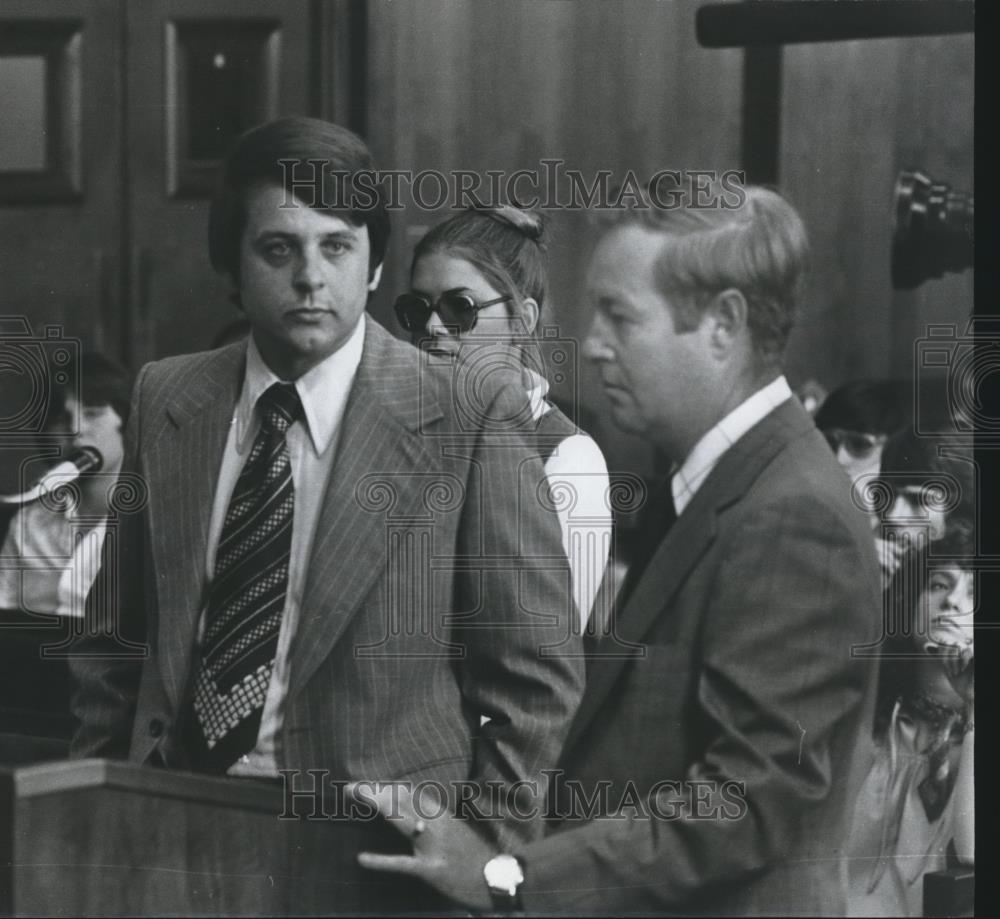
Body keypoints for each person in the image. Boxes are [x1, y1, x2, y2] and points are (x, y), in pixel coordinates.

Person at [356, 182, 883, 914]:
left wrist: (506, 877)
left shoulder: (794, 512)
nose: (593, 343)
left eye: (620, 316)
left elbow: (745, 803)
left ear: (724, 325)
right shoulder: (718, 480)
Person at [67, 118, 583, 833]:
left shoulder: (468, 411)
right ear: (232, 268)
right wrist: (95, 814)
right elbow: (113, 639)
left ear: (373, 266)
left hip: (378, 853)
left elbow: (536, 674)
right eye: (279, 248)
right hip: (177, 824)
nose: (310, 276)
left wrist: (485, 857)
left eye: (337, 246)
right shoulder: (167, 396)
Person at [394, 205, 611, 627]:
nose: (434, 327)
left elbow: (548, 642)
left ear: (522, 321)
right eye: (418, 310)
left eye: (460, 308)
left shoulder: (568, 460)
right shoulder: (401, 430)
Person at [845, 523, 974, 916]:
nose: (953, 601)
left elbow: (974, 854)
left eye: (976, 593)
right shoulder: (864, 718)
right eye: (938, 585)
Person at [0, 351, 131, 617]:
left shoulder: (151, 522)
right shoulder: (27, 525)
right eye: (60, 419)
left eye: (93, 413)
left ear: (126, 423)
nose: (75, 429)